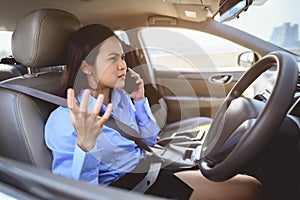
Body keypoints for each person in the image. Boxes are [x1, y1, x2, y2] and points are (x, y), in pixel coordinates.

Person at [45, 24, 261, 200]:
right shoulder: (63, 121)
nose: (123, 66)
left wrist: (139, 99)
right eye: (113, 59)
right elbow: (75, 194)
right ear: (86, 67)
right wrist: (85, 146)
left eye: (122, 57)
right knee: (250, 188)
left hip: (149, 168)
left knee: (245, 173)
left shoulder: (118, 97)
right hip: (126, 189)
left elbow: (148, 141)